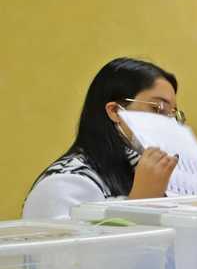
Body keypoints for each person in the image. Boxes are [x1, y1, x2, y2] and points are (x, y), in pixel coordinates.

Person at [23, 57, 181, 219]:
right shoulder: (63, 182)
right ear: (115, 111)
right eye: (158, 108)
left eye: (173, 114)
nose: (168, 123)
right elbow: (63, 244)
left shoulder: (154, 174)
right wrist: (143, 200)